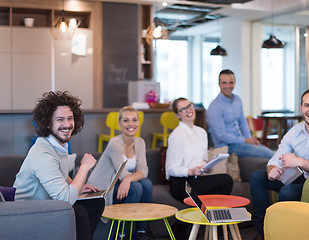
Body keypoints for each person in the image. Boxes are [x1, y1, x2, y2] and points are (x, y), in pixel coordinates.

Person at [250, 88, 309, 240]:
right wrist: (273, 169)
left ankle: (282, 233)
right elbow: (274, 160)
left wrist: (299, 161)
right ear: (301, 108)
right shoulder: (295, 131)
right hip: (303, 178)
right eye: (307, 105)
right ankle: (263, 230)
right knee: (258, 177)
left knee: (287, 192)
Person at [14, 91, 104, 240]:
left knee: (96, 201)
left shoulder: (57, 145)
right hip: (28, 212)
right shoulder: (43, 154)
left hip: (47, 205)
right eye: (60, 119)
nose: (67, 124)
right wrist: (84, 167)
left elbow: (59, 172)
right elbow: (65, 199)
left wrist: (76, 186)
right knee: (78, 213)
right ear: (48, 123)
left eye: (70, 118)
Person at [87, 106, 153, 240]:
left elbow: (144, 170)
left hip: (122, 183)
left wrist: (128, 180)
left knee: (147, 184)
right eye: (126, 120)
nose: (131, 124)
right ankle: (122, 233)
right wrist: (127, 179)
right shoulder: (114, 143)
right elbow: (122, 174)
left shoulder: (140, 142)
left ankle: (142, 231)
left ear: (138, 123)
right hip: (105, 187)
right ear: (120, 123)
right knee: (136, 188)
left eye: (134, 120)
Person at [166, 97, 234, 202]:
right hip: (180, 183)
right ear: (177, 115)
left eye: (189, 106)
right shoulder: (176, 136)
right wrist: (190, 171)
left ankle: (213, 216)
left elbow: (203, 159)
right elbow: (171, 169)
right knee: (225, 180)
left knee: (221, 188)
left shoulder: (202, 132)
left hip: (196, 180)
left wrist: (206, 167)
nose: (188, 110)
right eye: (183, 109)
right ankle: (215, 215)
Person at [206, 69, 274, 160]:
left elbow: (242, 122)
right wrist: (245, 140)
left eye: (231, 82)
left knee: (272, 154)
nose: (228, 86)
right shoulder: (214, 107)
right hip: (227, 147)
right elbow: (221, 136)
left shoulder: (237, 100)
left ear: (235, 83)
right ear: (219, 84)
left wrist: (250, 139)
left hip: (241, 143)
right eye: (224, 83)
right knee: (270, 155)